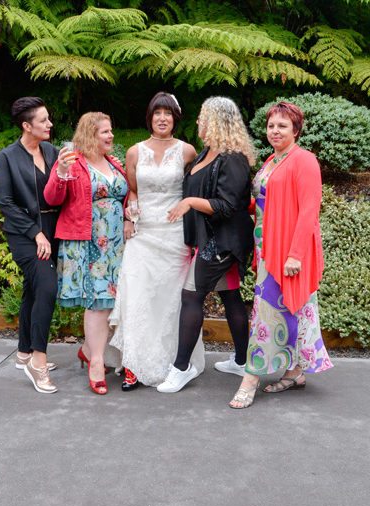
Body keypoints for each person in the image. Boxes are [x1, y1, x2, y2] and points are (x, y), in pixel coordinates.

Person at [229, 101, 333, 409]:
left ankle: (251, 378)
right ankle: (294, 371)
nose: (275, 131)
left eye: (282, 126)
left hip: (288, 252)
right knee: (288, 311)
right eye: (271, 126)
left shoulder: (304, 161)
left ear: (296, 130)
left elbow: (309, 212)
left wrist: (296, 255)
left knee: (267, 314)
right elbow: (264, 203)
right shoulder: (271, 161)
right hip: (266, 250)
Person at [157, 96, 255, 393]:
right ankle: (241, 360)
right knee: (230, 296)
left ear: (216, 121)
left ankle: (181, 368)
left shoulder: (233, 158)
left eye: (202, 117)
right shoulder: (208, 153)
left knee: (191, 297)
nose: (197, 122)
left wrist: (189, 202)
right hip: (210, 238)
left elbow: (227, 206)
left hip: (224, 241)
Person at [109, 92, 205, 390]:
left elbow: (195, 188)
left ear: (175, 117)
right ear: (150, 117)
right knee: (137, 294)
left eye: (167, 113)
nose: (162, 118)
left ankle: (174, 362)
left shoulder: (188, 151)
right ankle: (133, 365)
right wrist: (129, 213)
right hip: (143, 233)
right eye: (156, 113)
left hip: (175, 235)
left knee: (170, 300)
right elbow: (133, 191)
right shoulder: (135, 152)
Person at [44, 112, 130, 395]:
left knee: (110, 301)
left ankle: (86, 349)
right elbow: (52, 198)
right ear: (89, 135)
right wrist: (60, 173)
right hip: (88, 241)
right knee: (98, 303)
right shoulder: (73, 162)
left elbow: (126, 197)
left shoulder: (113, 163)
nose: (111, 136)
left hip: (116, 245)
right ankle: (96, 361)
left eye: (110, 131)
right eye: (104, 132)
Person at [0, 96, 59, 394]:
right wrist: (36, 233)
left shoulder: (51, 151)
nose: (49, 124)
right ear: (26, 125)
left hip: (53, 230)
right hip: (24, 234)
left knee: (33, 288)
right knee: (46, 285)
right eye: (43, 120)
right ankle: (38, 361)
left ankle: (23, 351)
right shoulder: (8, 157)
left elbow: (60, 188)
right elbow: (6, 203)